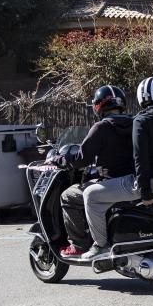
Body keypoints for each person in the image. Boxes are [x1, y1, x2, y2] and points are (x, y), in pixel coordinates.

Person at [82, 76, 153, 260]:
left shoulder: (142, 120)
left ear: (143, 96)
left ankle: (101, 245)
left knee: (90, 195)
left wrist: (145, 192)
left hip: (145, 183)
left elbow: (140, 158)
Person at [57, 85, 134, 258]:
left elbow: (80, 160)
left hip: (111, 184)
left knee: (68, 195)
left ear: (98, 105)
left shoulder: (101, 127)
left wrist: (59, 160)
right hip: (134, 182)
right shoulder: (135, 123)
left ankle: (78, 244)